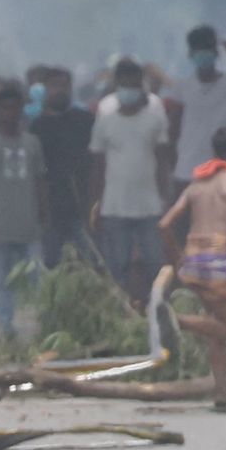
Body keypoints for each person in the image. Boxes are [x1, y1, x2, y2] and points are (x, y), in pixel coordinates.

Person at [162, 128, 226, 411]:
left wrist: (179, 258)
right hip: (218, 263)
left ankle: (222, 393)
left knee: (216, 329)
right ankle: (176, 321)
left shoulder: (195, 186)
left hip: (193, 262)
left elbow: (164, 224)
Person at [90, 57, 173, 304]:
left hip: (149, 206)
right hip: (115, 206)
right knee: (117, 266)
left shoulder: (155, 114)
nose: (129, 90)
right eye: (124, 84)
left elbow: (162, 159)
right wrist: (96, 201)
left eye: (134, 85)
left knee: (155, 265)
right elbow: (98, 161)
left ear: (141, 85)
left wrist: (164, 197)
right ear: (116, 85)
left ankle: (160, 311)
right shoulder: (105, 113)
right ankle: (121, 312)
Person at [0, 84, 47, 338]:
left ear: (21, 110)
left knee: (37, 278)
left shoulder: (32, 142)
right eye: (5, 108)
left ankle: (41, 324)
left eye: (15, 108)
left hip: (28, 223)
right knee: (2, 279)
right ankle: (6, 326)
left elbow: (39, 181)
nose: (10, 114)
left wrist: (42, 214)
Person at [168, 26, 226, 192]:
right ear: (191, 54)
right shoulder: (182, 88)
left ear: (216, 52)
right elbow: (173, 129)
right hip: (187, 170)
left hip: (224, 171)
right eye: (198, 49)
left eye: (207, 48)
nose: (203, 54)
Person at [30, 67, 94, 268]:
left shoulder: (84, 120)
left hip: (82, 202)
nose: (60, 90)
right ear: (46, 89)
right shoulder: (37, 127)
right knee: (51, 260)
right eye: (54, 86)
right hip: (52, 205)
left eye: (64, 86)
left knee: (90, 258)